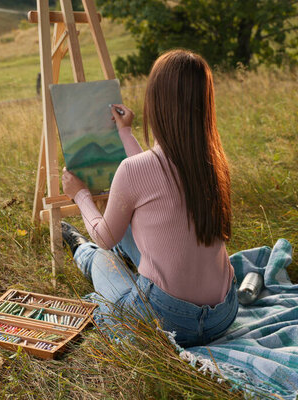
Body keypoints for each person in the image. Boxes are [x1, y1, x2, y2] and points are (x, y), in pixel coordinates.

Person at [61, 49, 238, 347]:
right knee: (134, 221)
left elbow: (105, 236)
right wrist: (126, 133)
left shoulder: (134, 171)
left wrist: (80, 194)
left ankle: (82, 253)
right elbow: (154, 177)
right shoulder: (213, 164)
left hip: (168, 322)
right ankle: (114, 259)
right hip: (224, 313)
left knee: (103, 254)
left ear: (155, 103)